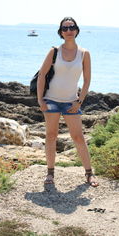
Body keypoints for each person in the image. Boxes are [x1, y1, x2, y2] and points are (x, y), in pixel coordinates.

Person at [37, 17, 99, 187]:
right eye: (65, 28)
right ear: (61, 32)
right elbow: (42, 75)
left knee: (78, 137)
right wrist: (40, 99)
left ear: (77, 30)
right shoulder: (54, 51)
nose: (69, 30)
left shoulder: (84, 53)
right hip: (51, 100)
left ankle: (89, 174)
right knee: (51, 136)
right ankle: (50, 174)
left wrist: (79, 101)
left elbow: (87, 80)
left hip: (72, 102)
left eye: (72, 27)